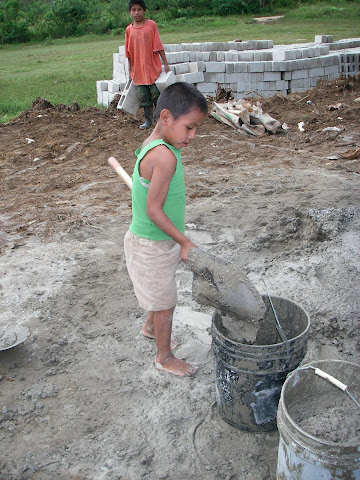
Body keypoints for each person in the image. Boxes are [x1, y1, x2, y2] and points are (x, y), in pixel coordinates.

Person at [124, 82, 208, 377]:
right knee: (166, 302)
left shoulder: (159, 144)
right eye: (190, 127)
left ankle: (150, 327)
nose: (193, 136)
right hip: (153, 246)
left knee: (159, 294)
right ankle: (164, 356)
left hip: (156, 241)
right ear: (166, 117)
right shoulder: (165, 156)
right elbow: (153, 210)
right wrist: (184, 241)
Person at [125, 0, 171, 130]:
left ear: (144, 10)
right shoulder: (129, 30)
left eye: (139, 9)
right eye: (133, 10)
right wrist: (130, 71)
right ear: (130, 12)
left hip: (152, 68)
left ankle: (160, 119)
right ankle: (147, 119)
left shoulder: (151, 25)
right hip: (138, 71)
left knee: (156, 93)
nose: (136, 12)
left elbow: (159, 46)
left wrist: (165, 65)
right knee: (143, 96)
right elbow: (128, 53)